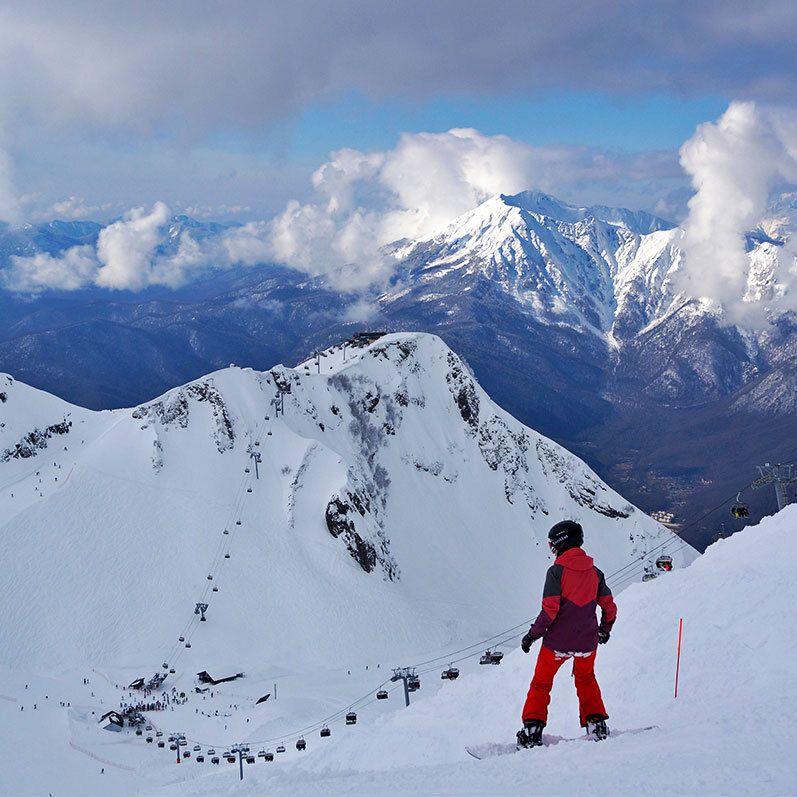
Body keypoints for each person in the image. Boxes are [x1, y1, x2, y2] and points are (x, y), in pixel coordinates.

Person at [517, 520, 617, 747]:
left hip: (557, 644)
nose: (552, 548)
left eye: (552, 544)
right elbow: (609, 607)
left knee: (541, 683)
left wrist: (531, 636)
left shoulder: (556, 573)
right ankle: (597, 725)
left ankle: (532, 732)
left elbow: (550, 611)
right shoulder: (595, 573)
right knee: (586, 679)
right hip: (587, 643)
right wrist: (604, 630)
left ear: (561, 542)